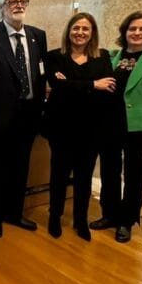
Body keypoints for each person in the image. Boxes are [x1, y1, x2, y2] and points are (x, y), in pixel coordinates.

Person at [90, 11, 142, 244]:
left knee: (134, 176)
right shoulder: (112, 57)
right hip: (109, 126)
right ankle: (110, 214)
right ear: (125, 32)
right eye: (132, 29)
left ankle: (126, 220)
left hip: (138, 128)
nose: (137, 33)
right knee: (109, 173)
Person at [42, 13, 116, 242]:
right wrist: (93, 85)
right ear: (69, 31)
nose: (80, 33)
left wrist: (71, 85)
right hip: (61, 128)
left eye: (85, 29)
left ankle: (80, 219)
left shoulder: (103, 57)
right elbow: (57, 86)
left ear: (92, 33)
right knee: (59, 174)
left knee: (84, 177)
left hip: (91, 129)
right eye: (76, 28)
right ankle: (54, 217)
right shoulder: (54, 56)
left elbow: (109, 88)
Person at [0, 0, 47, 237]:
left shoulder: (37, 35)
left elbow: (40, 73)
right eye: (12, 2)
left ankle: (15, 213)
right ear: (1, 8)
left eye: (22, 1)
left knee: (21, 166)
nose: (19, 5)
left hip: (28, 115)